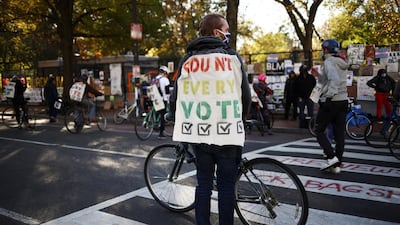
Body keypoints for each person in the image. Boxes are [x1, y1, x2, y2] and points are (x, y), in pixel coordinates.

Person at [168, 13, 251, 225]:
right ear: (217, 32)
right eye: (227, 30)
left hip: (199, 134)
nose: (229, 35)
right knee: (225, 187)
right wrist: (240, 118)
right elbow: (245, 95)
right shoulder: (232, 58)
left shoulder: (188, 60)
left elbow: (177, 95)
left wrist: (175, 117)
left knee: (203, 184)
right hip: (227, 133)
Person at [311, 39, 349, 174]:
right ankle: (336, 164)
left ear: (326, 49)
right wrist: (318, 76)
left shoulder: (329, 62)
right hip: (343, 100)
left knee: (319, 130)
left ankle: (331, 157)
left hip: (332, 100)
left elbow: (334, 80)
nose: (322, 50)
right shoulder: (340, 62)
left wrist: (328, 97)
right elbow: (329, 79)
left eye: (323, 48)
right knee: (339, 134)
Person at [156, 65, 171, 139]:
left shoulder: (156, 78)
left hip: (156, 99)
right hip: (163, 99)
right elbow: (167, 92)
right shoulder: (165, 80)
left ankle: (155, 124)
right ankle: (161, 133)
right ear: (165, 72)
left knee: (158, 112)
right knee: (163, 116)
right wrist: (168, 100)